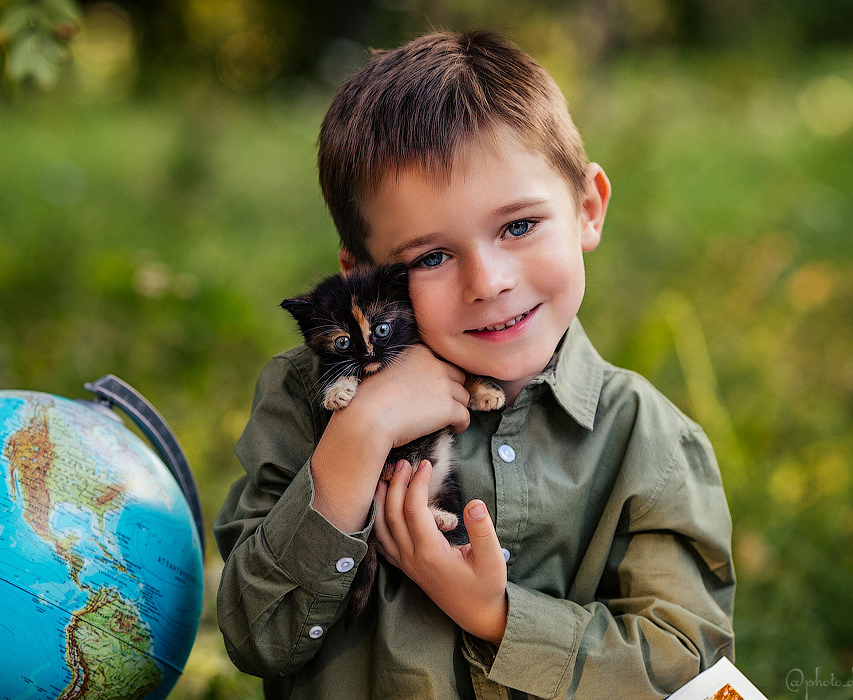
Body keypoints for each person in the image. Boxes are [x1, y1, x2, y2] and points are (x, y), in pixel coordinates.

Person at [214, 30, 735, 699]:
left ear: (588, 208)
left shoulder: (647, 440)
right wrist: (361, 432)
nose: (487, 281)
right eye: (430, 256)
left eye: (518, 226)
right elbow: (257, 637)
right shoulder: (302, 399)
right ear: (363, 276)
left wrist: (495, 616)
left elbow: (686, 669)